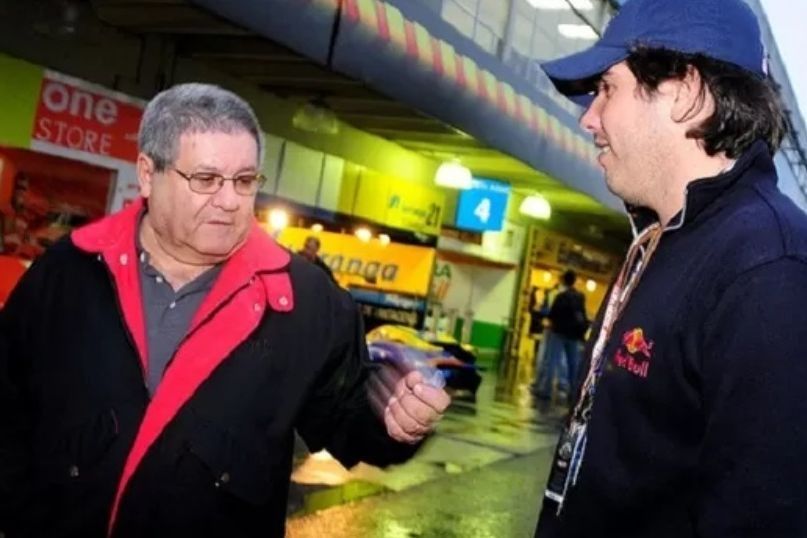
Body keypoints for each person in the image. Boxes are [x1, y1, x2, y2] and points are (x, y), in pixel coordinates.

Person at [0, 83, 450, 538]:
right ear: (148, 174)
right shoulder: (70, 271)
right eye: (207, 179)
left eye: (244, 180)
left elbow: (352, 419)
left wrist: (395, 419)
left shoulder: (307, 303)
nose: (231, 200)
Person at [534, 0, 807, 536]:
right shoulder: (666, 238)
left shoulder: (768, 270)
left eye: (607, 88)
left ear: (683, 93)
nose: (589, 116)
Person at [534, 270, 587, 404]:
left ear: (563, 280)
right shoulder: (580, 296)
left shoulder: (560, 296)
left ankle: (545, 391)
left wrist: (542, 313)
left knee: (552, 361)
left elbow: (552, 315)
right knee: (573, 365)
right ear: (574, 281)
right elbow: (583, 315)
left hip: (558, 333)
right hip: (574, 335)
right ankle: (573, 393)